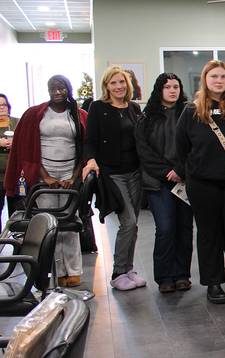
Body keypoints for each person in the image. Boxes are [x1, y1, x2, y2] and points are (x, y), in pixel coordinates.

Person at [175, 61, 225, 304]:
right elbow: (182, 147)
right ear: (205, 79)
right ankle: (213, 284)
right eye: (214, 76)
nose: (219, 81)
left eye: (223, 77)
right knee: (209, 233)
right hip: (202, 183)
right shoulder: (191, 111)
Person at [4, 76, 87, 287]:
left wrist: (73, 177)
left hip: (70, 173)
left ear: (68, 89)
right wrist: (46, 176)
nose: (57, 92)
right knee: (50, 223)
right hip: (44, 175)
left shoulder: (79, 114)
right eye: (52, 88)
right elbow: (27, 148)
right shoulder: (35, 114)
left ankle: (73, 270)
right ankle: (55, 271)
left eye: (61, 88)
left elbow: (84, 148)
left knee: (70, 220)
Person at [82, 65, 147, 291]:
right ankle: (118, 273)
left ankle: (128, 269)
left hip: (134, 172)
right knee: (127, 222)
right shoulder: (98, 107)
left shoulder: (134, 108)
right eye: (113, 83)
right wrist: (91, 160)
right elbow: (90, 140)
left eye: (121, 82)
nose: (118, 86)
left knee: (133, 224)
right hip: (112, 173)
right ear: (106, 86)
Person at [135, 73, 193, 293]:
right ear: (159, 90)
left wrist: (180, 170)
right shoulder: (147, 117)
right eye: (167, 87)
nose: (172, 90)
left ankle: (182, 275)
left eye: (176, 86)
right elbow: (144, 151)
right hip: (157, 182)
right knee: (166, 228)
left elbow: (195, 145)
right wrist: (167, 172)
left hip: (184, 180)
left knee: (185, 228)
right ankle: (165, 276)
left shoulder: (189, 113)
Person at [0, 94, 19, 219]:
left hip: (14, 174)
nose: (2, 107)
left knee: (16, 209)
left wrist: (15, 142)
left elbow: (28, 141)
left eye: (4, 105)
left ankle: (15, 231)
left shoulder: (17, 122)